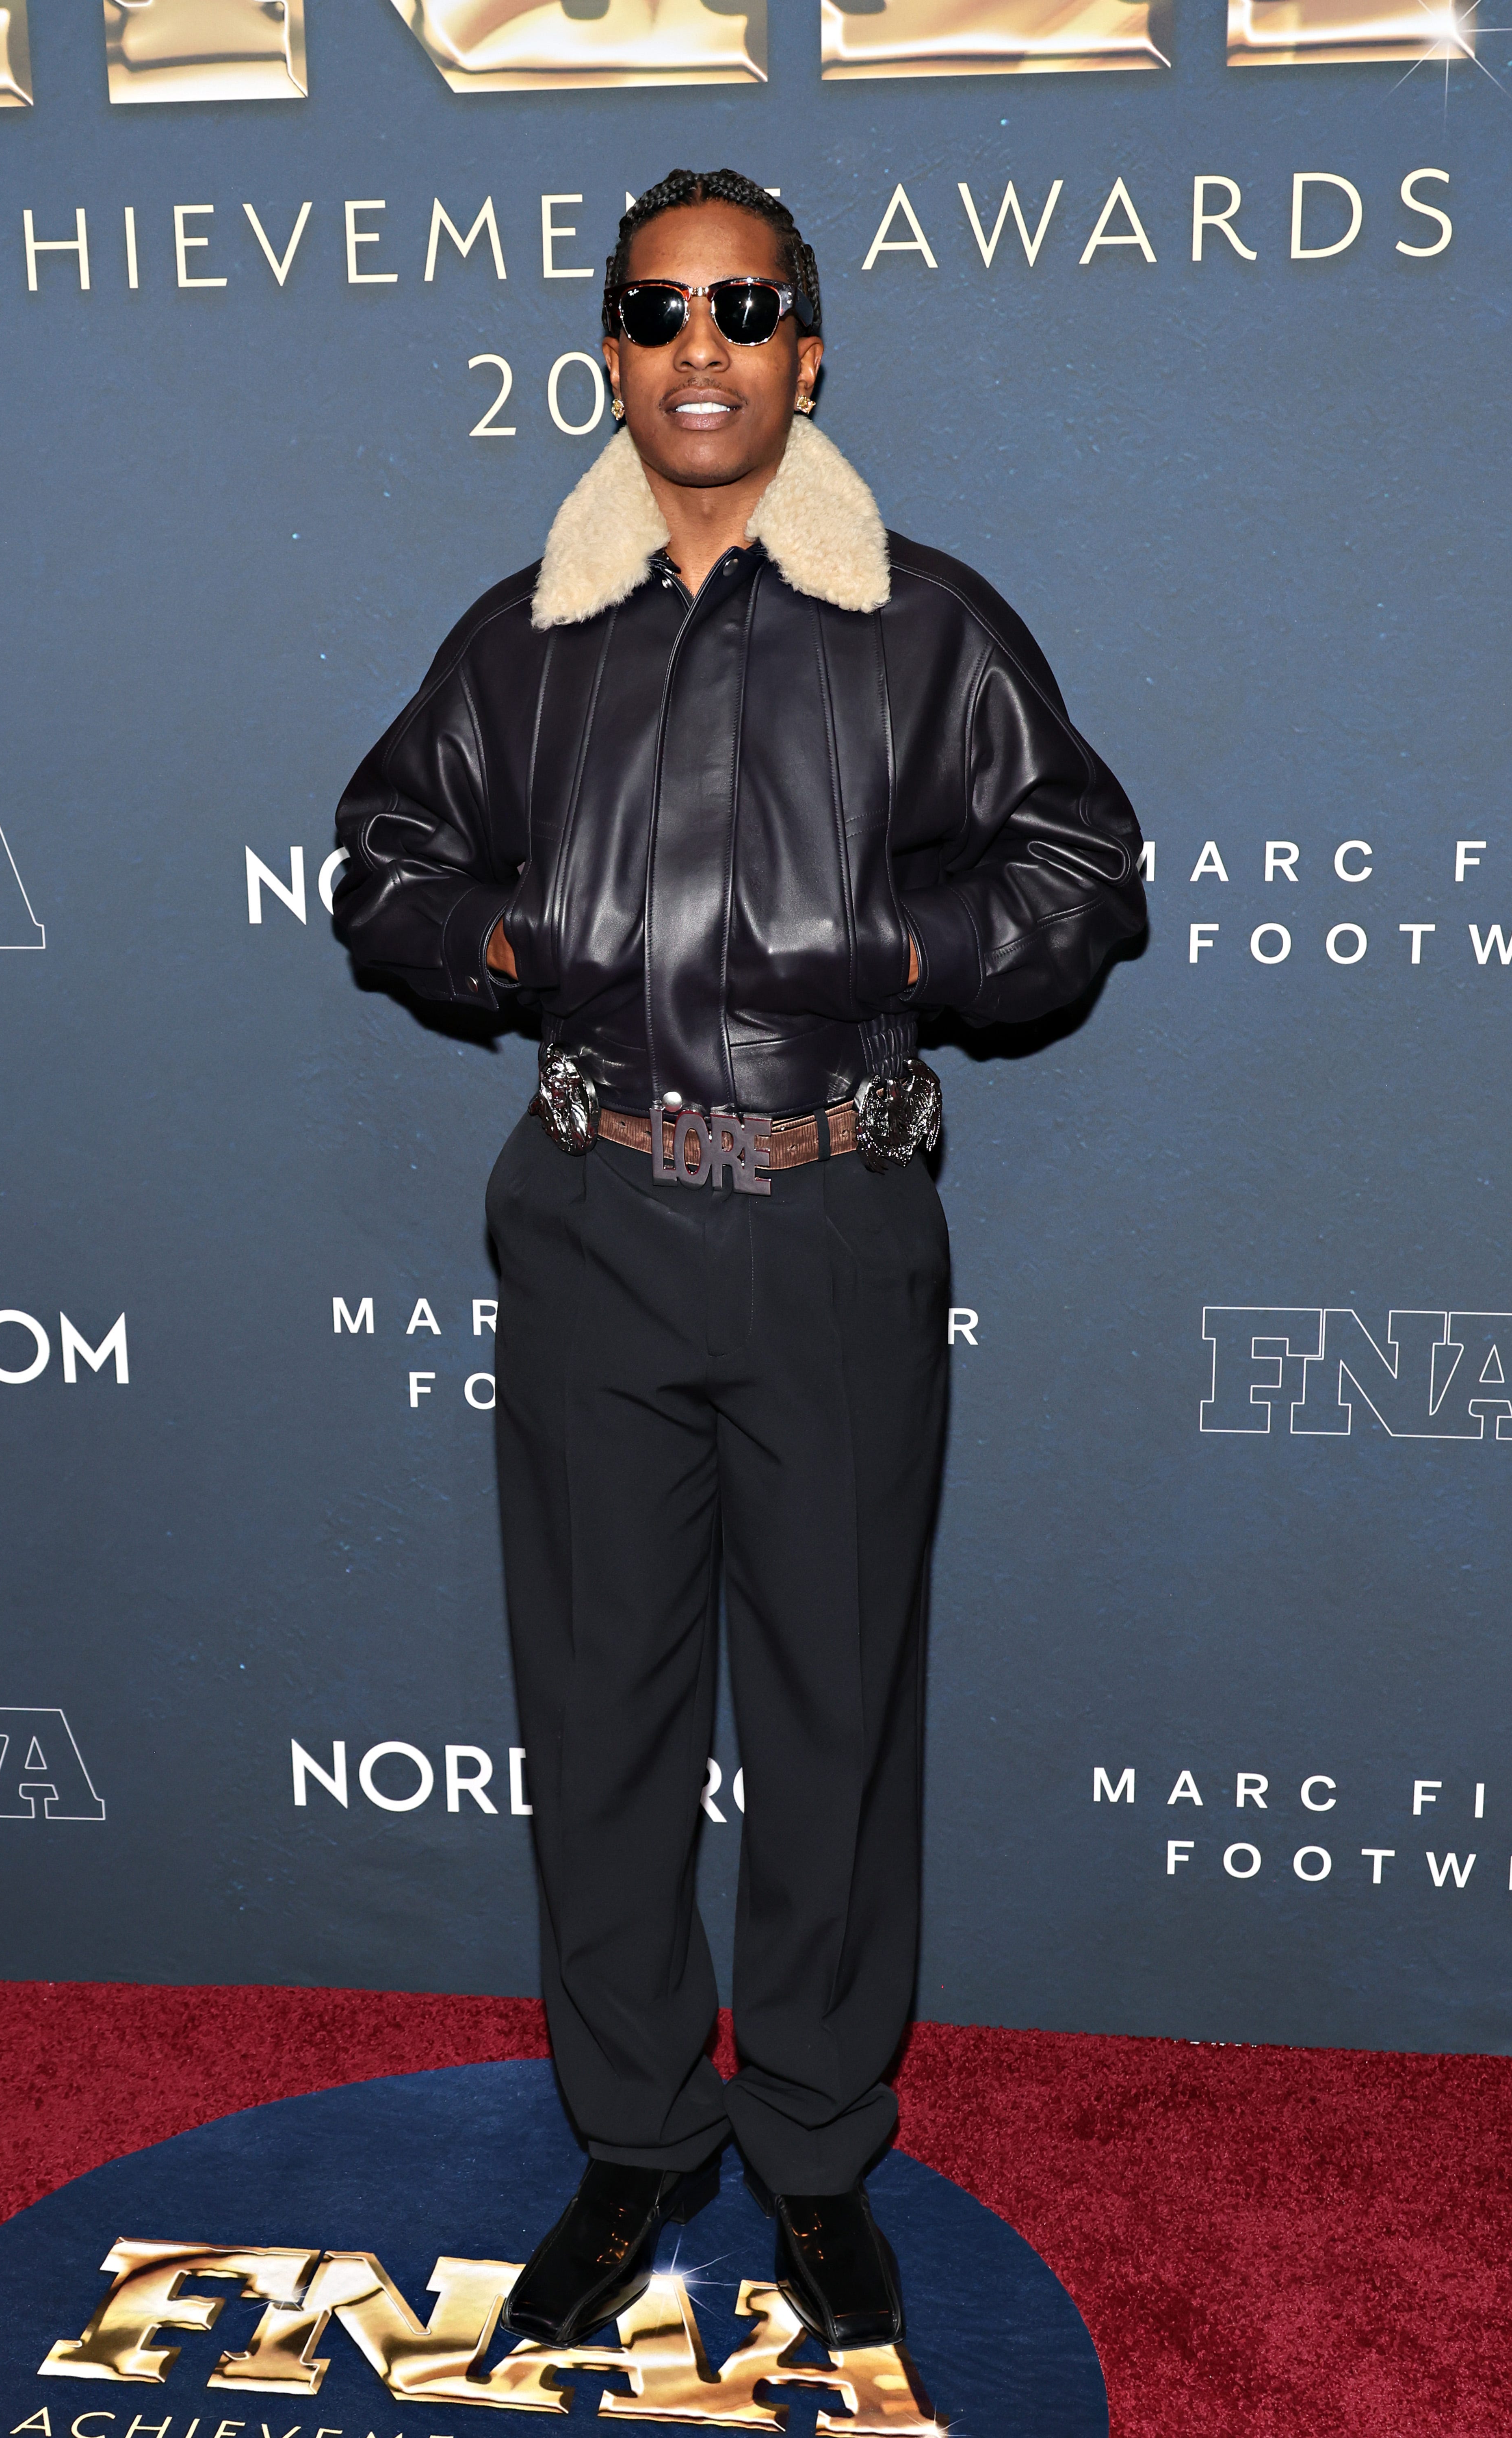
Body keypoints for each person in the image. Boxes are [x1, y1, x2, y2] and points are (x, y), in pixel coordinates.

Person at [332, 167, 1144, 2356]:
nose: (701, 348)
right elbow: (382, 850)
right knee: (597, 1719)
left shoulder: (926, 626)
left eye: (747, 308)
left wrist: (901, 942)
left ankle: (806, 2146)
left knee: (832, 1721)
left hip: (833, 1226)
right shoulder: (526, 638)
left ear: (807, 350)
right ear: (611, 347)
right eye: (659, 311)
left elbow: (1082, 866)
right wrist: (496, 936)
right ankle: (634, 2131)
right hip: (595, 1225)